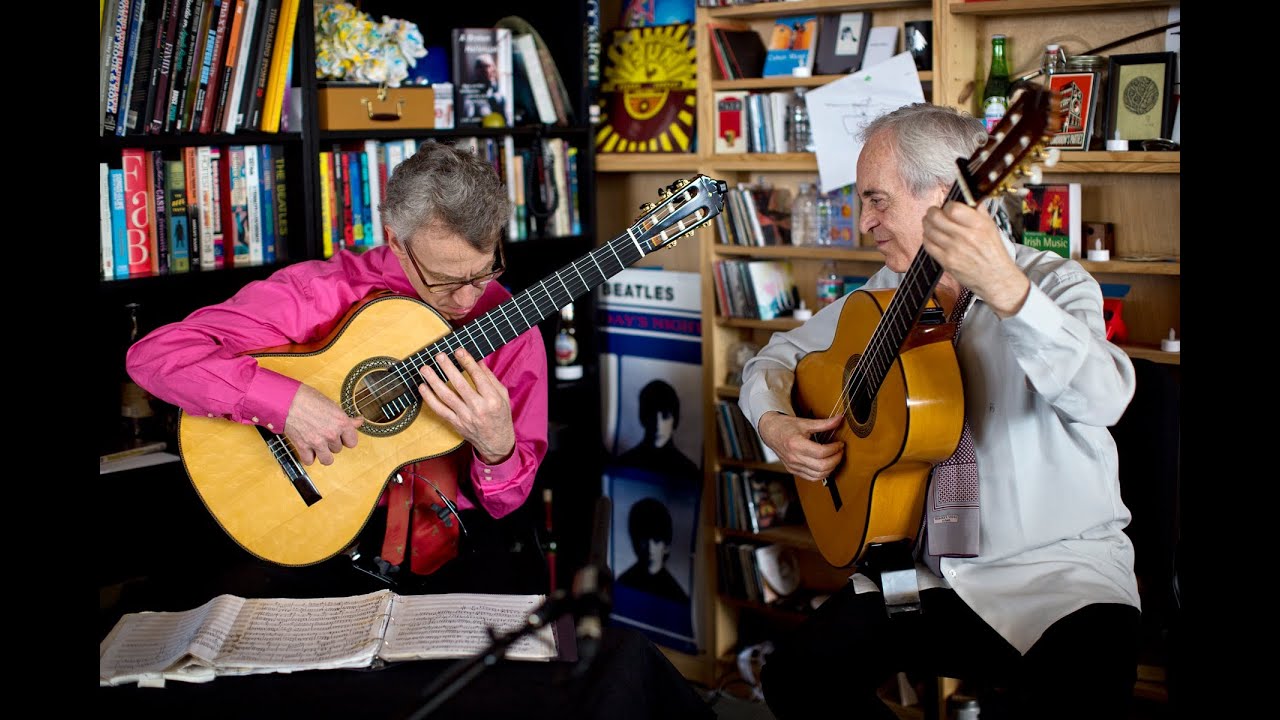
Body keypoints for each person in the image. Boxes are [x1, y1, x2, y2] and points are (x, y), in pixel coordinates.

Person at [737, 102, 1140, 719]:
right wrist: (775, 423)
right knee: (797, 677)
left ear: (947, 192)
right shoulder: (875, 299)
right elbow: (772, 359)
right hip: (922, 574)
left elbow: (1106, 398)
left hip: (1059, 577)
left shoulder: (1056, 285)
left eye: (877, 200)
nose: (864, 221)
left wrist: (1010, 295)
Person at [125, 141, 549, 589]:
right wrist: (286, 404)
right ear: (396, 243)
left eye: (484, 272)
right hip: (318, 546)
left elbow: (506, 504)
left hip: (459, 550)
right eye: (444, 280)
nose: (467, 299)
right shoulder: (319, 293)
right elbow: (155, 356)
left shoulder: (513, 330)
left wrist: (498, 448)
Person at [618, 379, 698, 477]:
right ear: (642, 417)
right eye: (652, 415)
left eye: (665, 416)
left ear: (675, 420)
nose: (658, 425)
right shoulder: (623, 465)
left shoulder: (689, 471)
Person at [616, 497, 689, 604]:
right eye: (644, 539)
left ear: (666, 545)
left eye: (656, 539)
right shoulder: (622, 583)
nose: (650, 548)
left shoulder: (677, 596)